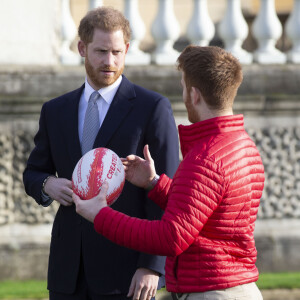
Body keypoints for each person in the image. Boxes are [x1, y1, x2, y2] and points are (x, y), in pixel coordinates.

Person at [73, 46, 265, 300]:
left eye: (184, 87)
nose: (183, 94)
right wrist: (154, 184)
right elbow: (204, 216)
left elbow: (170, 236)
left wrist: (101, 215)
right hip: (236, 287)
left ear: (194, 95)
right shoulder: (243, 144)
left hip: (212, 293)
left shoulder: (205, 158)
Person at [23, 6, 179, 300]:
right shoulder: (55, 111)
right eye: (101, 51)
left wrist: (152, 266)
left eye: (117, 52)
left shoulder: (152, 108)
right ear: (82, 48)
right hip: (67, 272)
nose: (110, 61)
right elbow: (32, 173)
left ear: (127, 49)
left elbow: (167, 191)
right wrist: (47, 184)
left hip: (126, 274)